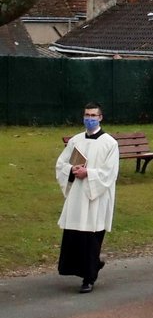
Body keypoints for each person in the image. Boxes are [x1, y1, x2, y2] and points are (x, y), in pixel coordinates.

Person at [55, 102, 120, 293]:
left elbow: (110, 173)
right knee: (75, 235)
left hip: (96, 197)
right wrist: (72, 170)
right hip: (77, 196)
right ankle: (85, 266)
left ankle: (88, 278)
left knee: (91, 237)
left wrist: (89, 173)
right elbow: (61, 164)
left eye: (93, 115)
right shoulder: (76, 140)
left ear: (100, 117)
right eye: (86, 115)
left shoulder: (109, 143)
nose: (89, 118)